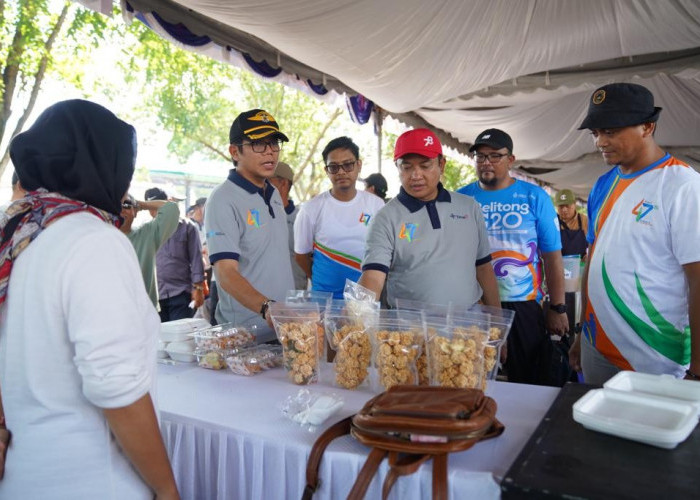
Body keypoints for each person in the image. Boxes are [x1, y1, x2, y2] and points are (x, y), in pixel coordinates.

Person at [0, 100, 178, 498]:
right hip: (93, 479)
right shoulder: (93, 240)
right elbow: (116, 389)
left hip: (26, 475)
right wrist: (167, 489)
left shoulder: (19, 235)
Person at [569, 82, 700, 385]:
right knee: (590, 431)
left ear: (647, 126)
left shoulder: (682, 186)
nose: (600, 141)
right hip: (596, 346)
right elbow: (593, 258)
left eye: (610, 131)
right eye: (595, 133)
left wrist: (698, 368)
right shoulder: (603, 184)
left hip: (654, 357)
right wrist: (580, 335)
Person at [458, 128, 568, 385]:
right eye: (481, 157)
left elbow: (552, 257)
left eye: (495, 156)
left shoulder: (535, 197)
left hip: (523, 304)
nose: (486, 162)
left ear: (511, 159)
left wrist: (557, 307)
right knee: (472, 377)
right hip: (476, 304)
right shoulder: (461, 198)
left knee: (526, 379)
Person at [358, 128, 500, 310]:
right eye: (407, 167)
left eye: (425, 166)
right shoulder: (385, 218)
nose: (416, 175)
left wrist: (497, 320)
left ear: (442, 165)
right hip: (410, 330)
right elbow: (373, 276)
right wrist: (358, 318)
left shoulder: (469, 207)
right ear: (397, 167)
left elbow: (483, 268)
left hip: (468, 327)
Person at [205, 108, 294, 342]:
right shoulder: (222, 199)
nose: (270, 152)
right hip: (245, 336)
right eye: (258, 144)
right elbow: (225, 273)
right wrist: (266, 308)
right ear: (235, 152)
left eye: (274, 143)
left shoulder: (274, 192)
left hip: (283, 328)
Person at [294, 137, 385, 299]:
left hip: (362, 299)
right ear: (326, 171)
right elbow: (301, 255)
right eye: (334, 167)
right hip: (323, 299)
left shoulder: (376, 205)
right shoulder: (310, 209)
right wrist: (322, 279)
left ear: (359, 165)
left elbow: (383, 252)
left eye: (348, 165)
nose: (341, 172)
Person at [144, 188, 205, 322]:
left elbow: (196, 259)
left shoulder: (187, 227)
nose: (155, 211)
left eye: (157, 206)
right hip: (155, 297)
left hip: (181, 294)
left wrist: (198, 289)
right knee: (160, 338)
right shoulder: (146, 231)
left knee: (180, 336)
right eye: (151, 208)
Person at [119, 192, 179, 308]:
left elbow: (171, 209)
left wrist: (140, 204)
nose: (122, 210)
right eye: (116, 205)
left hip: (144, 312)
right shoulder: (101, 238)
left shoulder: (146, 234)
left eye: (126, 205)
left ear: (135, 211)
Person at [269, 161, 308, 290]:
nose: (261, 185)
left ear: (284, 183)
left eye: (267, 180)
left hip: (294, 296)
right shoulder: (258, 217)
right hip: (264, 297)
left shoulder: (301, 218)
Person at [554, 188, 588, 260]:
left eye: (567, 205)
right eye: (561, 206)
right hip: (559, 264)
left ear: (574, 204)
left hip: (580, 264)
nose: (564, 209)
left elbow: (593, 242)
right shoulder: (552, 222)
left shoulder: (585, 220)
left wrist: (589, 254)